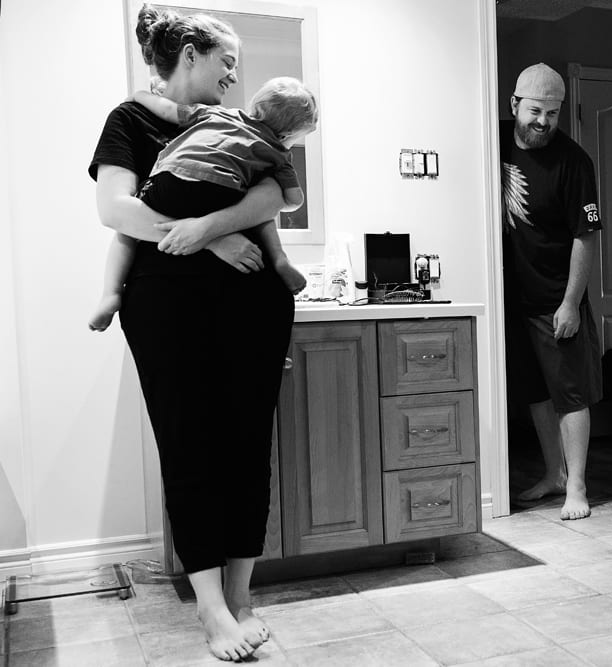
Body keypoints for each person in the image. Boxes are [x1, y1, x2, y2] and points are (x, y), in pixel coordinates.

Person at [89, 4, 298, 660]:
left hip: (252, 302)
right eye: (226, 61)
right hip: (167, 301)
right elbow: (116, 210)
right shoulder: (130, 121)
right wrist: (208, 240)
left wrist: (212, 226)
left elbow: (275, 196)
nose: (234, 75)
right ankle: (210, 607)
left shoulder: (236, 123)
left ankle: (241, 596)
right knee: (190, 445)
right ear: (189, 56)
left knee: (248, 446)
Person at [89, 75, 315, 331]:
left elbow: (168, 110)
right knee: (258, 213)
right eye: (227, 62)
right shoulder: (278, 153)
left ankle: (110, 293)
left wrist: (141, 95)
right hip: (225, 190)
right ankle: (280, 258)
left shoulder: (217, 115)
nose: (232, 74)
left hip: (173, 179)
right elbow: (293, 199)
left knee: (127, 234)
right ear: (287, 134)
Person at [500, 63, 603, 521]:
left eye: (553, 113)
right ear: (515, 105)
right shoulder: (494, 140)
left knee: (569, 394)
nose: (543, 121)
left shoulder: (574, 161)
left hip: (555, 299)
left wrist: (570, 303)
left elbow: (586, 236)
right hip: (511, 296)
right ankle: (552, 475)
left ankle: (577, 486)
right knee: (535, 393)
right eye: (535, 111)